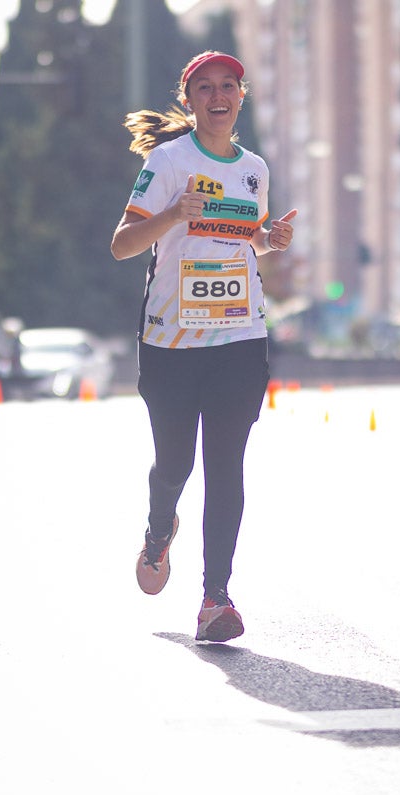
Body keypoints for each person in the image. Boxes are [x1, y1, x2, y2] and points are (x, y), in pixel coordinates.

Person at [110, 50, 297, 643]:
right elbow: (122, 244)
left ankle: (216, 599)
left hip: (240, 337)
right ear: (189, 100)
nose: (219, 96)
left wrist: (270, 238)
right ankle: (159, 528)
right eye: (206, 88)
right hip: (170, 342)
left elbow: (246, 240)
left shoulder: (254, 170)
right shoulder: (168, 161)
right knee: (175, 465)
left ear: (242, 95)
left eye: (228, 86)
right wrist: (172, 214)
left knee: (225, 466)